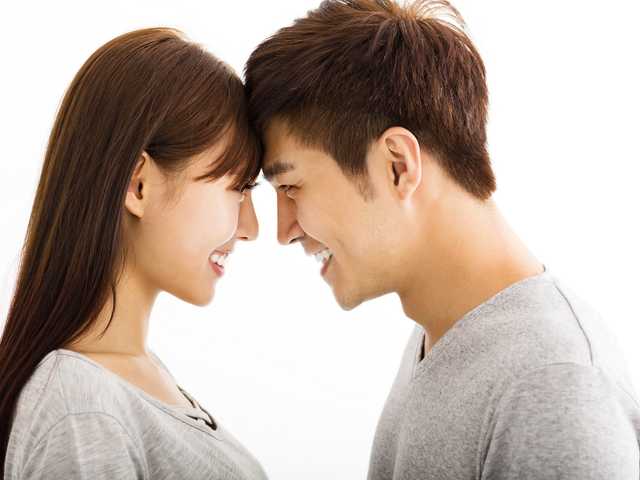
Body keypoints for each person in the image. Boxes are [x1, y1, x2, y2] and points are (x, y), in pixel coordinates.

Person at [244, 0, 640, 478]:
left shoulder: (554, 389)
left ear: (397, 165)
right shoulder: (442, 333)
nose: (284, 231)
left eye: (291, 187)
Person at [1, 28, 268, 479]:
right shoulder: (82, 409)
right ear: (137, 184)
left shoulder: (125, 381)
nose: (251, 228)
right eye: (238, 189)